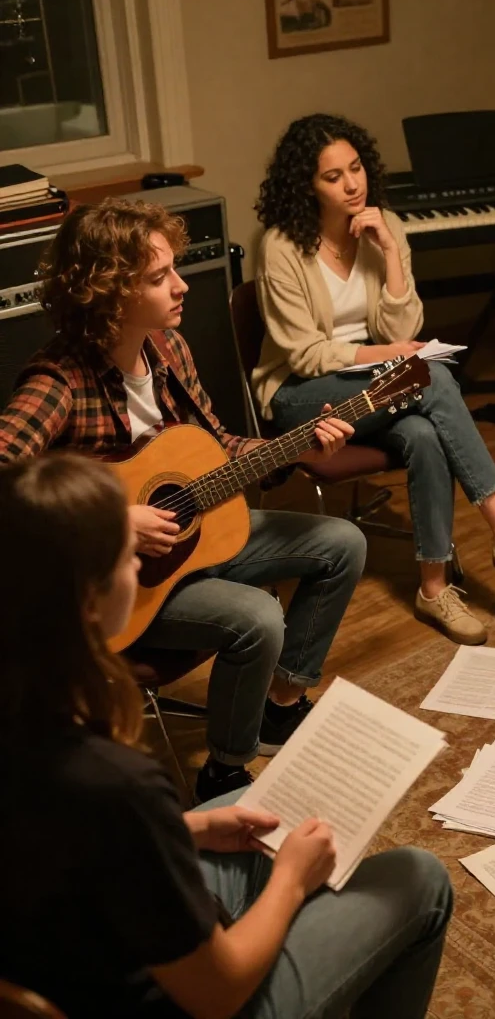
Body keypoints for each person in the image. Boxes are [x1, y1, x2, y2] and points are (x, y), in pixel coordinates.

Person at [0, 452, 452, 1018]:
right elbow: (217, 993)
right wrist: (292, 880)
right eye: (126, 557)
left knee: (249, 805)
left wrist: (185, 828)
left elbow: (59, 836)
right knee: (420, 878)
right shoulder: (118, 783)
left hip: (61, 946)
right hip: (178, 1001)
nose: (137, 567)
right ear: (90, 600)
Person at [0, 198, 366, 802]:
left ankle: (279, 706)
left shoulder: (168, 349)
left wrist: (295, 448)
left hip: (196, 540)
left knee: (341, 542)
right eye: (158, 276)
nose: (181, 285)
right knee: (258, 616)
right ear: (110, 293)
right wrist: (115, 520)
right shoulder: (57, 382)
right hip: (119, 588)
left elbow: (216, 448)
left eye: (174, 268)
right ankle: (225, 769)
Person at [251, 113, 495, 645]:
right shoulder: (282, 246)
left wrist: (389, 253)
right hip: (303, 396)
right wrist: (391, 354)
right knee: (429, 376)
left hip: (375, 385)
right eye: (333, 176)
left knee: (425, 432)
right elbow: (306, 355)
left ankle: (433, 588)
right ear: (307, 186)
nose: (351, 184)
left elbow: (403, 328)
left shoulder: (384, 226)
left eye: (356, 168)